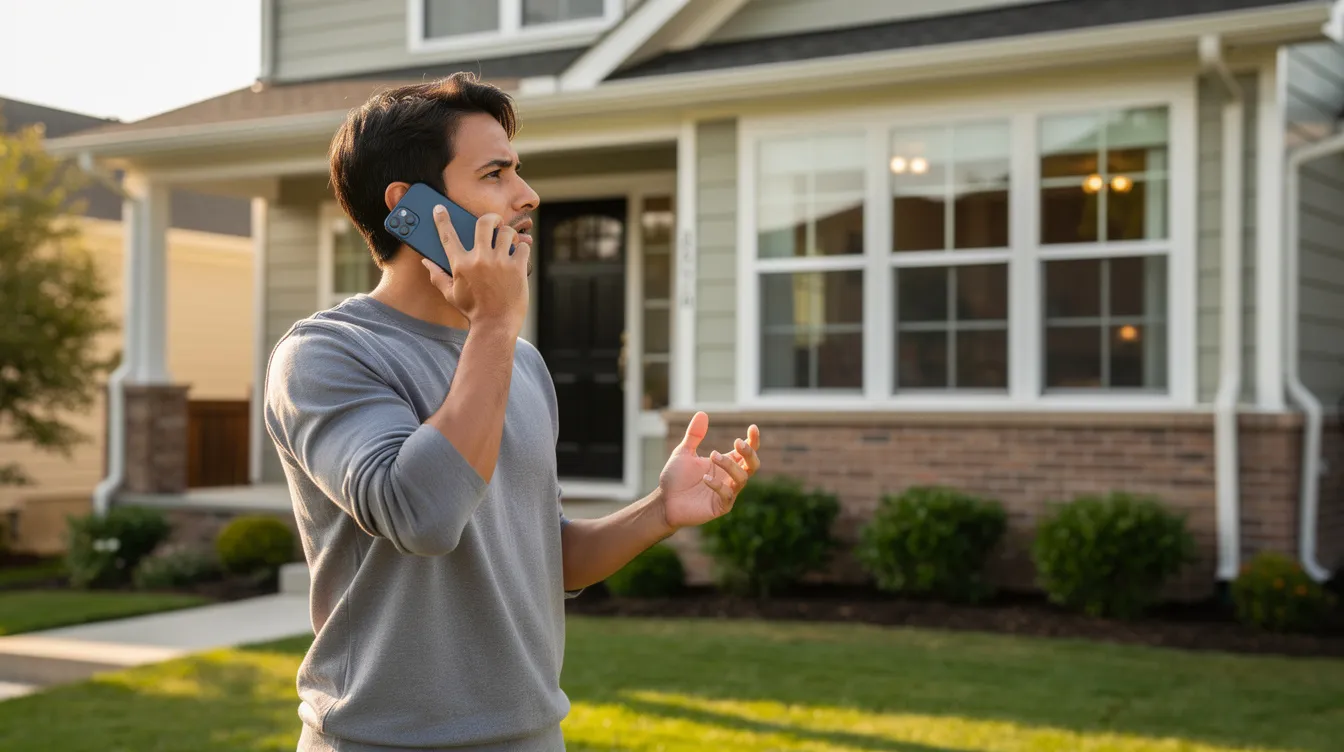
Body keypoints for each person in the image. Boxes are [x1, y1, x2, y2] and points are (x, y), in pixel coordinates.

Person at [263, 71, 762, 752]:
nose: (527, 196)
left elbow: (541, 556)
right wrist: (494, 321)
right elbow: (424, 515)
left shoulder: (520, 365)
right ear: (410, 208)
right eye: (495, 173)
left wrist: (660, 512)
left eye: (517, 171)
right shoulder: (325, 356)